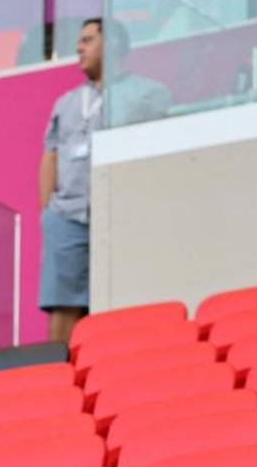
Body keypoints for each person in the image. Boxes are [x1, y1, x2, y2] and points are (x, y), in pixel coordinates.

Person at [38, 18, 169, 344]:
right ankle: (58, 377)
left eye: (87, 40)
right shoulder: (65, 102)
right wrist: (48, 213)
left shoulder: (149, 93)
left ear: (111, 45)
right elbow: (50, 155)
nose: (78, 48)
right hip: (68, 214)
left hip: (123, 211)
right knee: (63, 303)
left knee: (122, 298)